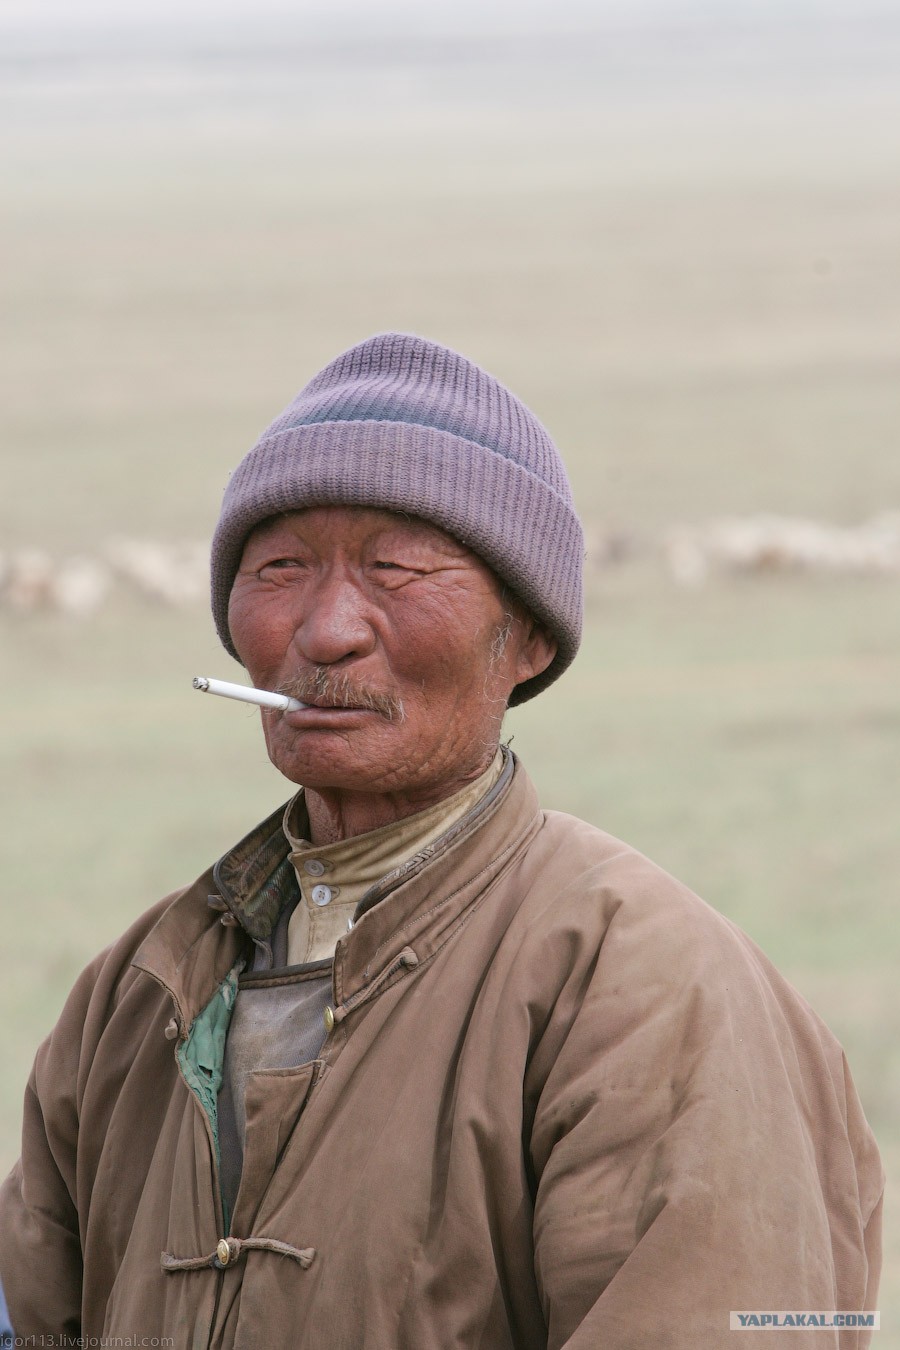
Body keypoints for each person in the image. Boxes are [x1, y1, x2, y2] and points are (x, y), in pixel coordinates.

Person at [0, 334, 883, 1347]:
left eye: (397, 569)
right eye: (280, 567)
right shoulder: (139, 995)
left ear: (529, 636)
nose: (327, 629)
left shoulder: (646, 991)